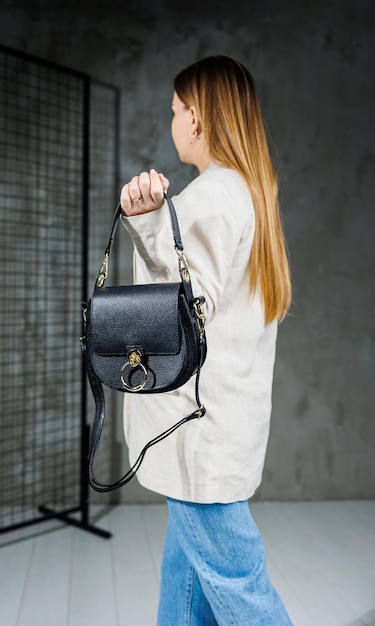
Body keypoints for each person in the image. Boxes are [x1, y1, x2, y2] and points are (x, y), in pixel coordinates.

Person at [119, 56, 293, 626]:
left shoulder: (213, 195)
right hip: (218, 424)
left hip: (196, 429)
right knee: (187, 583)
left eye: (175, 110)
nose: (172, 122)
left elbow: (181, 312)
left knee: (240, 590)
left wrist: (146, 222)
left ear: (197, 118)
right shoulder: (248, 193)